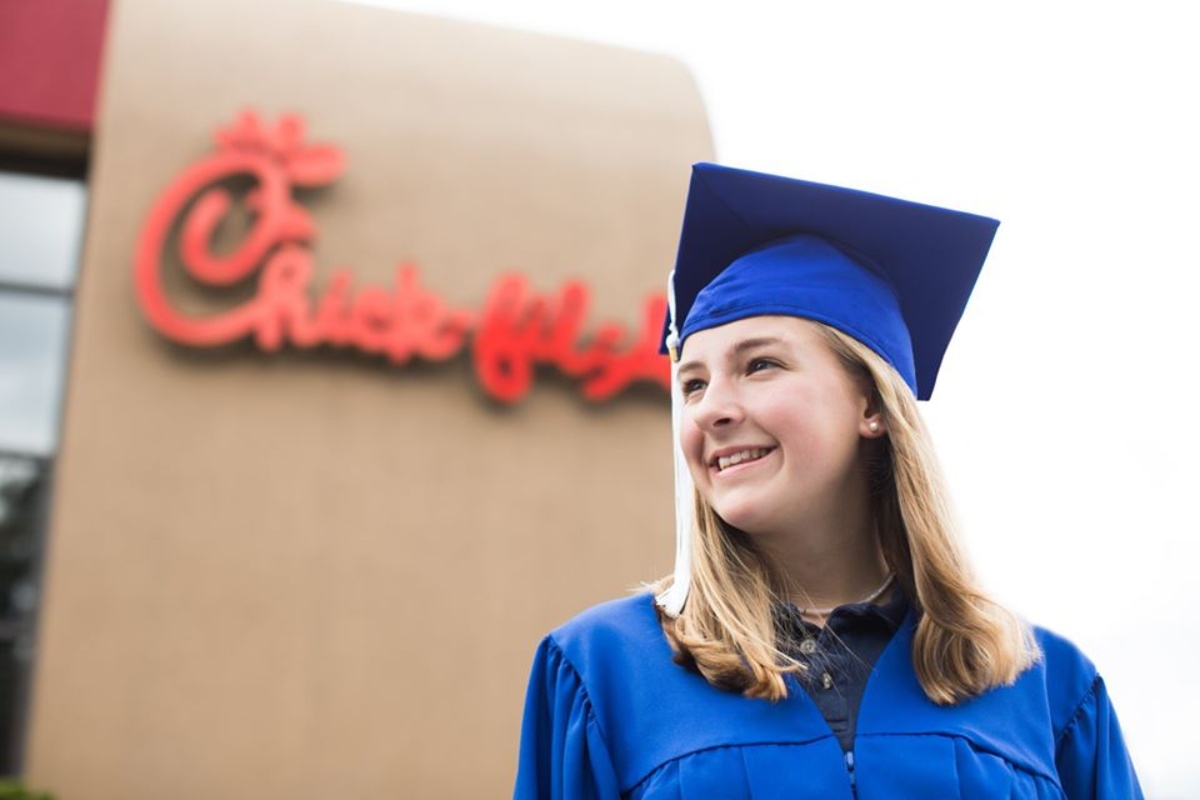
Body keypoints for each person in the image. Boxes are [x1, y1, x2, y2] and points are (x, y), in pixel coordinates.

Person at [513, 163, 1142, 799]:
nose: (710, 409)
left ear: (871, 405)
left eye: (760, 365)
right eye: (694, 383)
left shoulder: (1045, 686)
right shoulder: (604, 671)